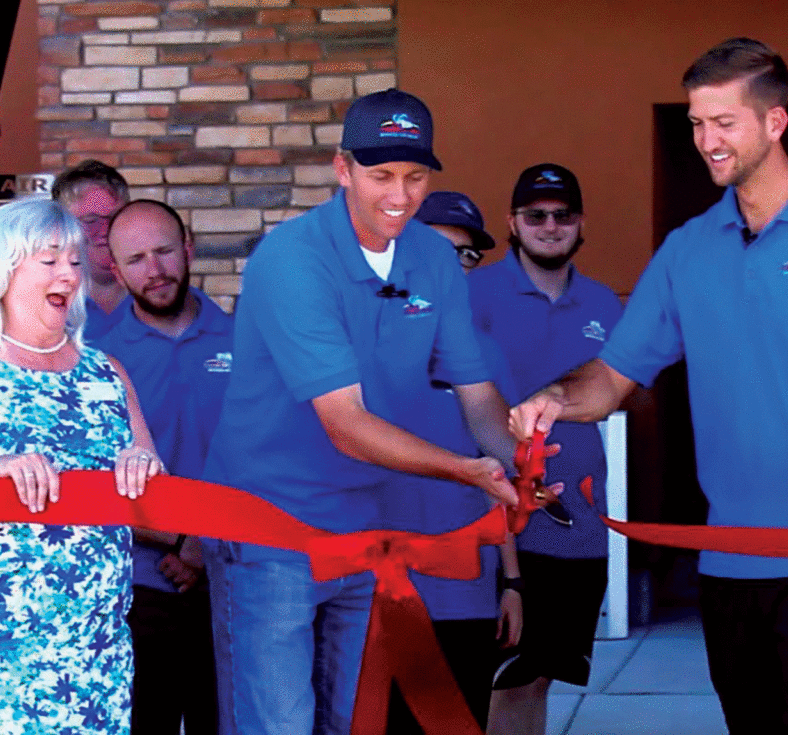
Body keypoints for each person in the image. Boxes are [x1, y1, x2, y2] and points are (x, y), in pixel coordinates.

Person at [511, 38, 788, 735]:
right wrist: (553, 397)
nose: (707, 141)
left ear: (774, 122)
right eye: (697, 123)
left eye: (724, 122)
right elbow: (610, 377)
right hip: (729, 567)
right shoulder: (689, 247)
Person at [200, 88, 521, 735]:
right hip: (270, 528)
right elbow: (345, 424)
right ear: (342, 168)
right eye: (381, 175)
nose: (400, 194)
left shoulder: (434, 258)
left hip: (364, 526)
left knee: (352, 722)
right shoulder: (292, 259)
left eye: (415, 176)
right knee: (278, 726)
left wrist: (523, 462)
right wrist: (468, 470)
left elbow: (476, 392)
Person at [0, 198, 165, 735]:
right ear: (1, 273)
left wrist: (143, 467)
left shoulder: (108, 373)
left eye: (73, 260)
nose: (68, 274)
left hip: (98, 647)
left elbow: (158, 510)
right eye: (48, 260)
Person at [465, 164, 622, 735]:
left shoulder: (604, 304)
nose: (550, 226)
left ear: (580, 223)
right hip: (502, 523)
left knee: (539, 678)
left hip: (578, 524)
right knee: (499, 680)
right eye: (536, 215)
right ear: (512, 222)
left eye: (563, 215)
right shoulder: (474, 293)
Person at [375, 191, 521, 734]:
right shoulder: (363, 341)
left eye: (465, 255)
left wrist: (512, 581)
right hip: (378, 588)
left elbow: (498, 473)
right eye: (439, 248)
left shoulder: (486, 353)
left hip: (466, 589)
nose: (452, 266)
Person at [96, 199, 232, 735]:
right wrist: (178, 542)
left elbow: (265, 456)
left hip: (239, 576)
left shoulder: (247, 342)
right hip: (140, 586)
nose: (154, 270)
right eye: (136, 260)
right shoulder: (98, 360)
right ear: (115, 269)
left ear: (189, 249)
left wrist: (205, 545)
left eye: (164, 252)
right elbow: (96, 474)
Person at [51, 159, 131, 339]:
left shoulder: (164, 299)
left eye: (115, 217)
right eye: (90, 220)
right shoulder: (44, 306)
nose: (105, 230)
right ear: (63, 228)